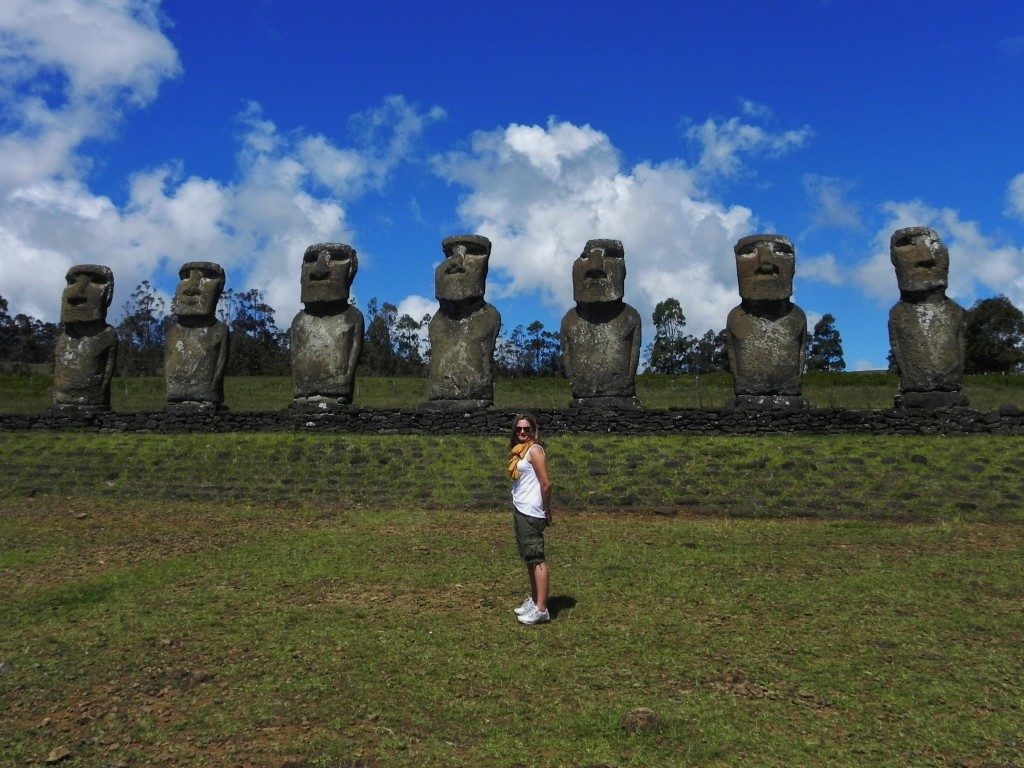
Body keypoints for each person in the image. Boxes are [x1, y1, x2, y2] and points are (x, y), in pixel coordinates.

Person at [508, 413, 552, 625]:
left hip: (532, 511)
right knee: (529, 558)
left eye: (526, 428)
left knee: (537, 559)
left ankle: (541, 609)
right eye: (518, 429)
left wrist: (546, 509)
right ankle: (534, 601)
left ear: (533, 429)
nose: (522, 432)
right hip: (520, 508)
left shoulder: (535, 450)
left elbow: (546, 484)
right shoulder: (519, 452)